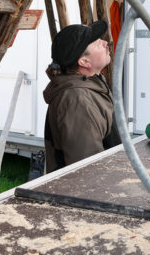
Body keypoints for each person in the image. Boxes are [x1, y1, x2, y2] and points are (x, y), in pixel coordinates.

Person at [43, 20, 121, 173]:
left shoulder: (91, 84)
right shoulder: (77, 100)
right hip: (90, 190)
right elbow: (88, 170)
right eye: (98, 43)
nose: (106, 42)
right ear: (84, 62)